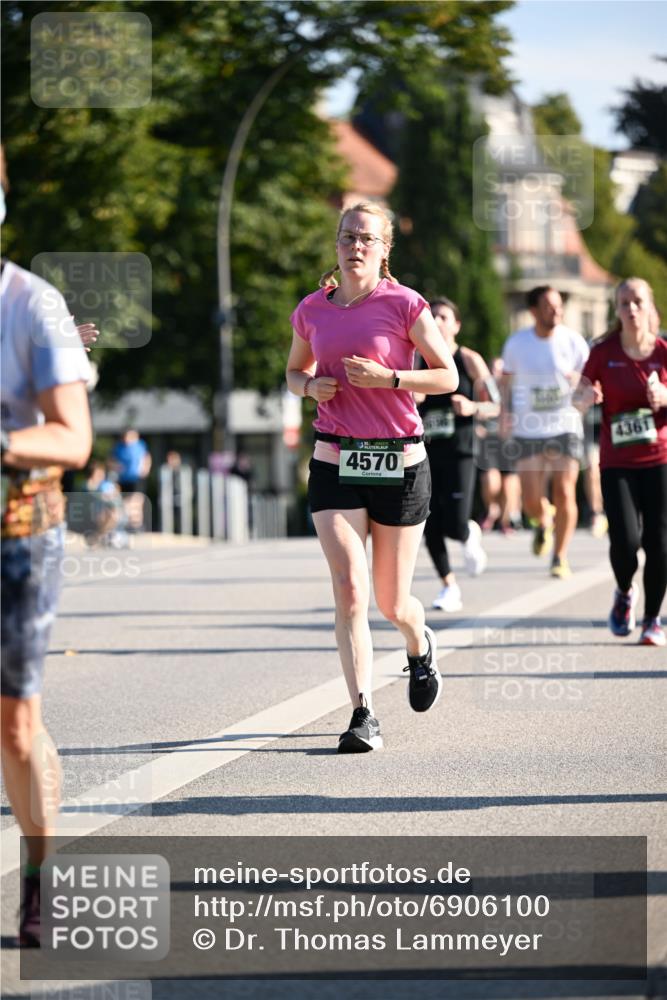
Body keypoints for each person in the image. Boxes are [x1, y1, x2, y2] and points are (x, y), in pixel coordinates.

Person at [285, 201, 458, 753]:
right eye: (347, 236)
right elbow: (294, 372)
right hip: (336, 459)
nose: (355, 246)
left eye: (367, 238)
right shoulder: (312, 309)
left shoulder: (405, 304)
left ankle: (418, 641)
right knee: (350, 588)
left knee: (391, 603)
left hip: (400, 463)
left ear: (385, 251)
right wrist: (310, 388)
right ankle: (362, 712)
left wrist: (390, 379)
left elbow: (448, 375)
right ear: (335, 245)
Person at [0, 148, 92, 946]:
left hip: (20, 533)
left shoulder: (32, 303)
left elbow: (74, 437)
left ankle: (39, 872)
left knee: (17, 725)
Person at [578, 277, 667, 646]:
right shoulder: (603, 352)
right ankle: (624, 590)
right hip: (617, 461)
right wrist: (586, 395)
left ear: (649, 307)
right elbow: (580, 392)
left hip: (660, 457)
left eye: (637, 301)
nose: (631, 308)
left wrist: (664, 395)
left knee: (660, 542)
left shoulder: (663, 352)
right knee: (626, 541)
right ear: (616, 310)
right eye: (624, 303)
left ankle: (651, 620)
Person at [499, 286, 589, 579]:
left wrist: (581, 386)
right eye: (549, 306)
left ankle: (560, 556)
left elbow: (590, 383)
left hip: (565, 425)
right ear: (534, 311)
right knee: (529, 500)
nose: (557, 311)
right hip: (529, 429)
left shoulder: (574, 342)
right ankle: (542, 520)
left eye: (559, 305)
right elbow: (506, 384)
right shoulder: (516, 344)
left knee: (564, 491)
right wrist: (504, 414)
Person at [415, 297, 495, 613]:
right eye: (431, 315)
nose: (435, 320)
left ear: (456, 325)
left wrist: (473, 406)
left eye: (443, 316)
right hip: (427, 451)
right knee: (429, 523)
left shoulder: (470, 360)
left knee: (456, 521)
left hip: (461, 450)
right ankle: (449, 586)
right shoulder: (418, 360)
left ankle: (467, 531)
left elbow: (497, 406)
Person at [478, 358, 523, 535]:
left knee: (509, 482)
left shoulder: (515, 389)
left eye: (500, 370)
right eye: (493, 370)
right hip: (489, 440)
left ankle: (506, 520)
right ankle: (492, 509)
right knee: (490, 480)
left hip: (510, 440)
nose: (497, 374)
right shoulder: (483, 388)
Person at [111, 427, 151, 531]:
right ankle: (129, 523)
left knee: (136, 501)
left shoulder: (140, 445)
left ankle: (136, 525)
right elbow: (112, 461)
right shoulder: (119, 447)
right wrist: (116, 468)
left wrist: (145, 469)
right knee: (125, 502)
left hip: (137, 478)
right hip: (124, 479)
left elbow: (146, 458)